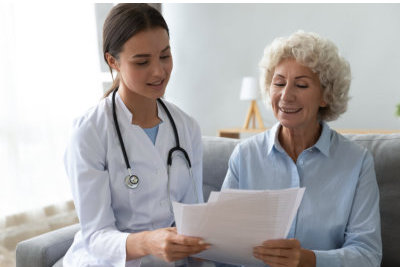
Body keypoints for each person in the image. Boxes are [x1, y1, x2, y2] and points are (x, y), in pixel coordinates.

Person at [63, 4, 209, 267]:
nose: (158, 71)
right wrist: (148, 242)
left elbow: (192, 218)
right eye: (142, 62)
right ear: (113, 61)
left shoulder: (186, 127)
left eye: (165, 56)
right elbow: (95, 235)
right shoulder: (90, 132)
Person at [222, 31, 382, 267]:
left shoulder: (357, 162)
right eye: (279, 83)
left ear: (325, 96)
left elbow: (368, 255)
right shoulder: (245, 156)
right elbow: (223, 242)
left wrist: (310, 260)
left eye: (301, 84)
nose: (286, 95)